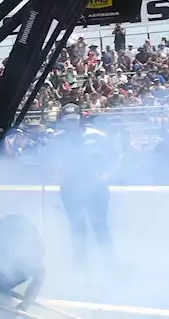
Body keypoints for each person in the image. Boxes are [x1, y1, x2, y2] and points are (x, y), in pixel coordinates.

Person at [50, 104, 118, 267]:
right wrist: (56, 174)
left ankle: (110, 262)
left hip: (96, 188)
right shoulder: (58, 140)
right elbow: (52, 162)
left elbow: (115, 157)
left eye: (74, 120)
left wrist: (107, 175)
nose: (71, 124)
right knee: (77, 227)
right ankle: (81, 264)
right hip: (70, 189)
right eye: (68, 121)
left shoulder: (97, 136)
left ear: (81, 119)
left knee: (99, 225)